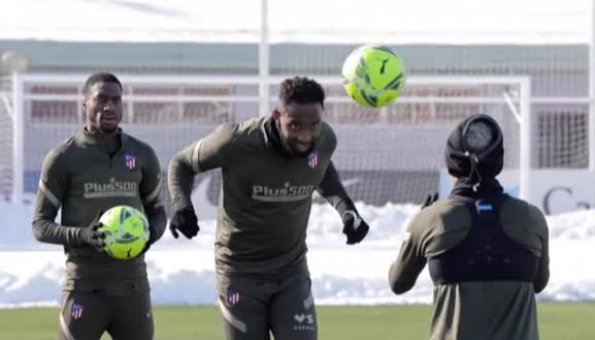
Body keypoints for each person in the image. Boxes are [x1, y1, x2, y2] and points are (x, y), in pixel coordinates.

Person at [168, 76, 370, 340]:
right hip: (239, 272)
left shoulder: (325, 140)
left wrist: (347, 210)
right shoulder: (235, 141)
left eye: (313, 126)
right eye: (295, 125)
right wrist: (182, 206)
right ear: (277, 115)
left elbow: (322, 170)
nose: (305, 136)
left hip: (291, 271)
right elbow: (181, 163)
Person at [388, 114, 550, 340]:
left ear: (452, 164)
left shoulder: (430, 219)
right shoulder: (531, 217)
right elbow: (539, 283)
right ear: (498, 161)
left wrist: (414, 228)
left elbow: (398, 283)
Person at [32, 72, 167, 340]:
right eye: (101, 99)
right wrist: (82, 235)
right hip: (85, 286)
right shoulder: (64, 157)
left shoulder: (142, 154)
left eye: (116, 100)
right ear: (85, 104)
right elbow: (40, 226)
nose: (109, 107)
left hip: (133, 287)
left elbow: (158, 212)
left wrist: (151, 233)